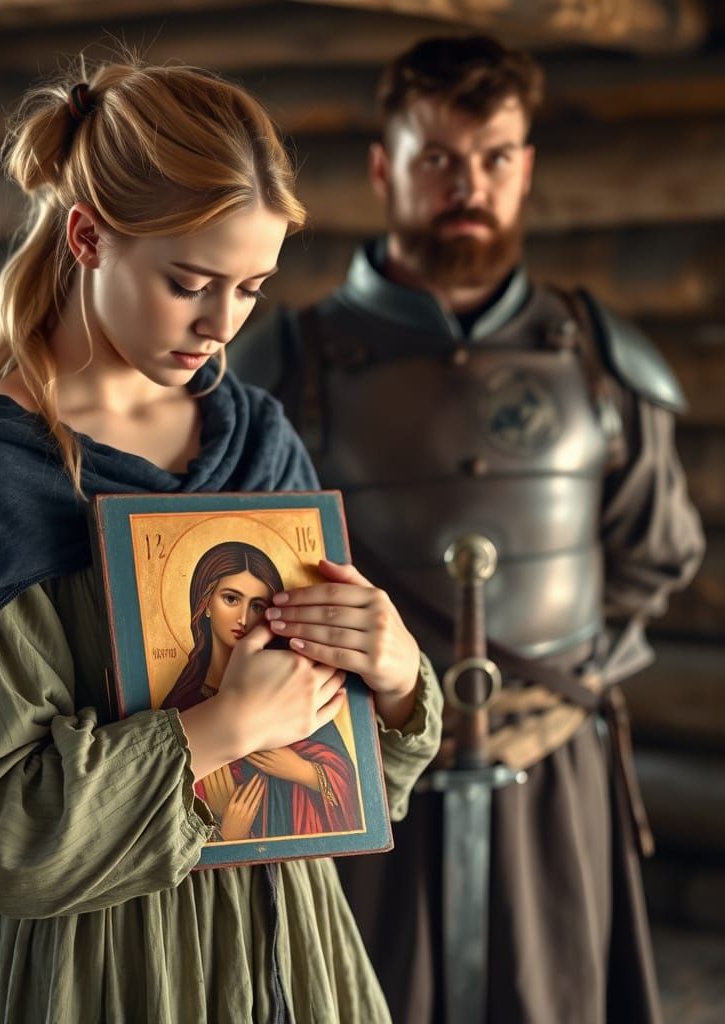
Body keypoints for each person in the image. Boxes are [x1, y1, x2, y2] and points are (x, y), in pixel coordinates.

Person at [0, 59, 442, 1024]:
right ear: (89, 236)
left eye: (252, 288)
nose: (220, 325)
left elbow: (347, 780)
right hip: (83, 968)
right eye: (190, 282)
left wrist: (391, 678)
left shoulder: (257, 440)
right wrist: (219, 730)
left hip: (287, 956)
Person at [231, 35, 704, 1024]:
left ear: (526, 167)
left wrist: (555, 688)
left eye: (494, 157)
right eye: (437, 157)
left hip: (550, 769)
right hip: (358, 777)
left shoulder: (595, 359)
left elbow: (651, 551)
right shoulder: (287, 363)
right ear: (383, 166)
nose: (468, 184)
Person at [162, 540, 361, 840]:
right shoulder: (182, 705)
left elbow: (364, 800)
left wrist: (304, 772)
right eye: (231, 599)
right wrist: (227, 832)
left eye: (257, 606)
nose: (244, 618)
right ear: (204, 605)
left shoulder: (293, 690)